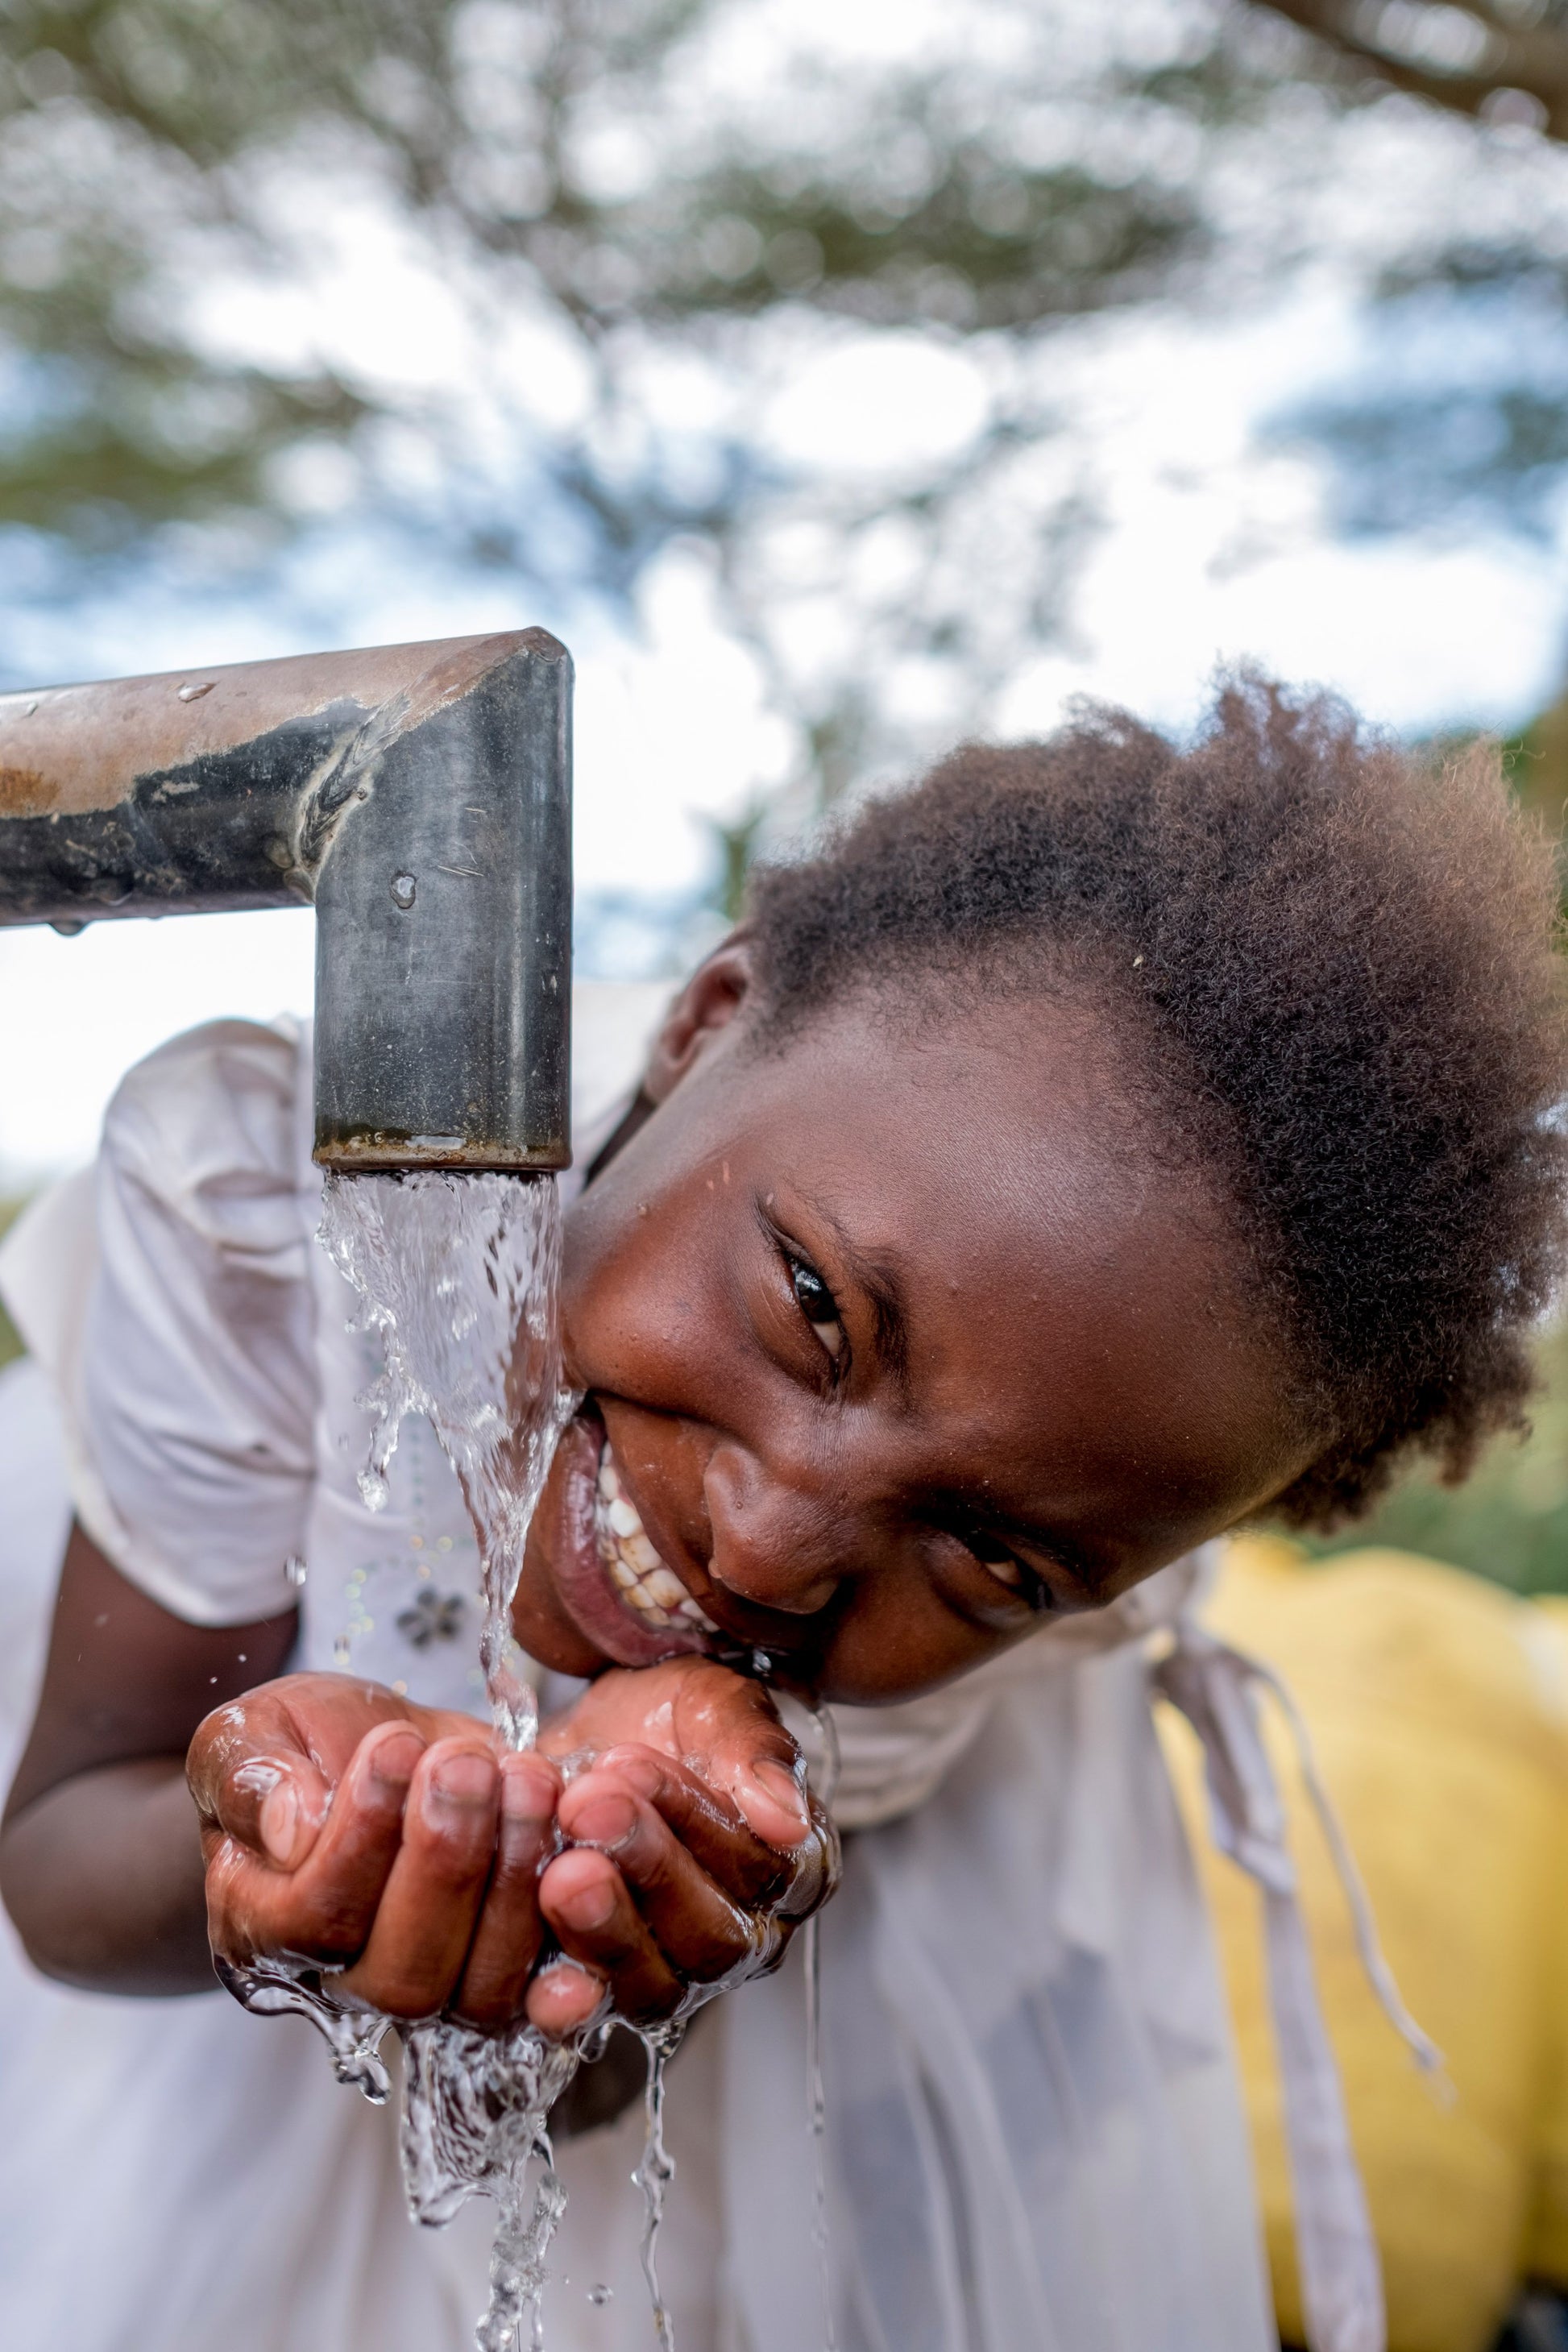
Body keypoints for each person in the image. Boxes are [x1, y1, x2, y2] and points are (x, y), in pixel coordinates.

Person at [0, 672, 1562, 2352]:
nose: (768, 1546)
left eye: (985, 1553)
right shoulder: (269, 1216)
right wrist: (266, 1846)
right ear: (702, 1024)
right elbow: (64, 1846)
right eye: (815, 1307)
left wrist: (586, 1923)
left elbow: (581, 2106)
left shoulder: (959, 1663)